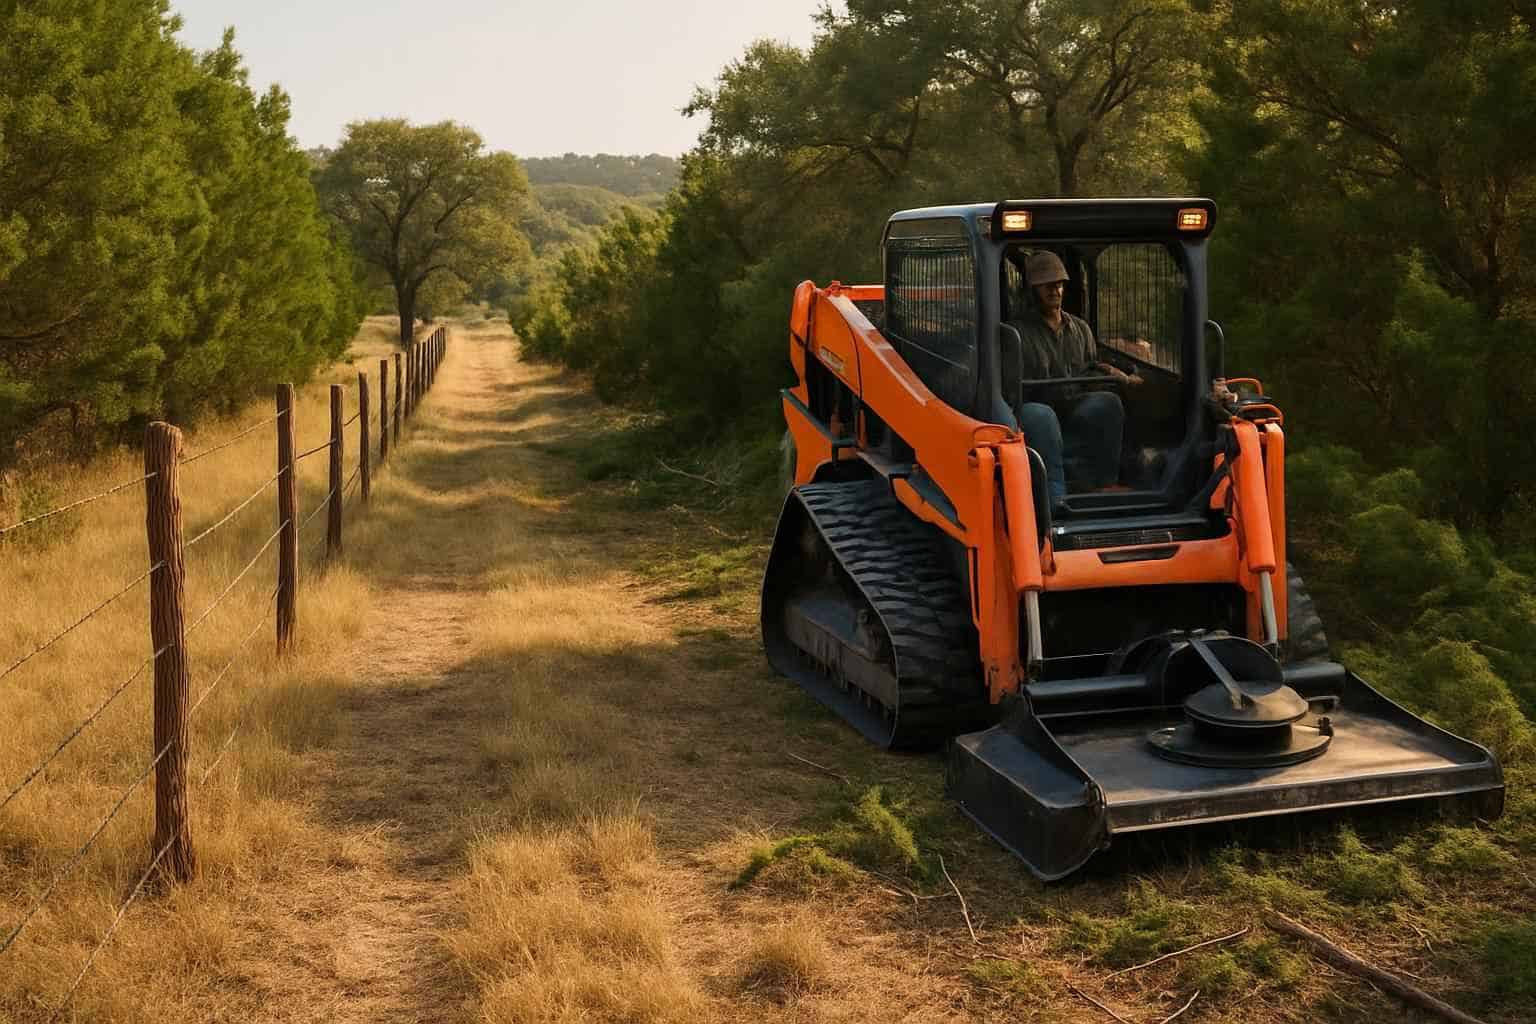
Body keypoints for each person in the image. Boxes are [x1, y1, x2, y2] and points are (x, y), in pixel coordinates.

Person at [1009, 251, 1132, 506]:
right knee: (1043, 416)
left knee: (1108, 403)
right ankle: (1056, 496)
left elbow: (1088, 370)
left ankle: (1103, 483)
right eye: (1046, 284)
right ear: (1032, 289)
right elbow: (1010, 386)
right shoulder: (1016, 333)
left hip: (1073, 403)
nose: (1054, 290)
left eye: (1058, 284)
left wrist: (1113, 374)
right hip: (1035, 407)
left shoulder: (1081, 329)